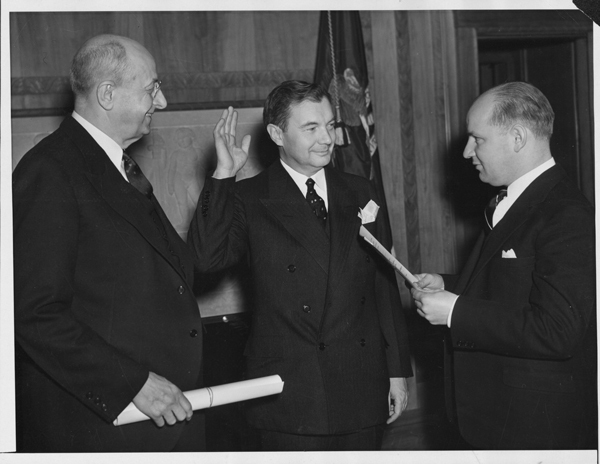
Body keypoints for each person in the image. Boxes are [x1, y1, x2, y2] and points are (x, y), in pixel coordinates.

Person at [187, 80, 412, 451]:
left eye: (330, 125)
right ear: (277, 133)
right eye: (311, 128)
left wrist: (398, 371)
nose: (327, 138)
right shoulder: (248, 197)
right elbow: (205, 260)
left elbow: (382, 286)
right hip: (290, 390)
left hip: (359, 380)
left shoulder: (360, 191)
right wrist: (223, 175)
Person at [13, 34, 205, 452]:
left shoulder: (120, 166)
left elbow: (175, 270)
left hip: (159, 422)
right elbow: (33, 313)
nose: (163, 101)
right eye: (152, 88)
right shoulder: (49, 171)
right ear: (106, 94)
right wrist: (132, 383)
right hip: (103, 429)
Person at [411, 82, 596, 449]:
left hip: (533, 427)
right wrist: (448, 284)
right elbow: (509, 285)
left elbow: (557, 329)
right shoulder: (510, 199)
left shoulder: (566, 213)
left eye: (476, 139)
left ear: (516, 138)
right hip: (492, 417)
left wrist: (455, 311)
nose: (466, 152)